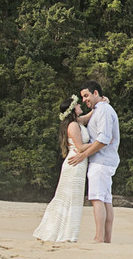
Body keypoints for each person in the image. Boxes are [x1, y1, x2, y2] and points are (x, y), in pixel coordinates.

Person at [32, 95, 93, 243]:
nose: (80, 105)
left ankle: (67, 233)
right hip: (75, 163)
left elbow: (87, 117)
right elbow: (80, 147)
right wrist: (100, 143)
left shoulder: (77, 122)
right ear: (72, 109)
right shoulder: (73, 125)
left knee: (73, 198)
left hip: (79, 163)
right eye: (77, 104)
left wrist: (99, 105)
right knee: (70, 198)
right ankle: (66, 234)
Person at [70, 80, 120, 243]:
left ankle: (99, 237)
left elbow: (103, 139)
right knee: (105, 199)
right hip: (104, 161)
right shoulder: (99, 109)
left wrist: (83, 155)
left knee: (97, 198)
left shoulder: (104, 110)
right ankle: (106, 238)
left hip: (101, 161)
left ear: (96, 93)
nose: (84, 100)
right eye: (82, 97)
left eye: (86, 96)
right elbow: (81, 121)